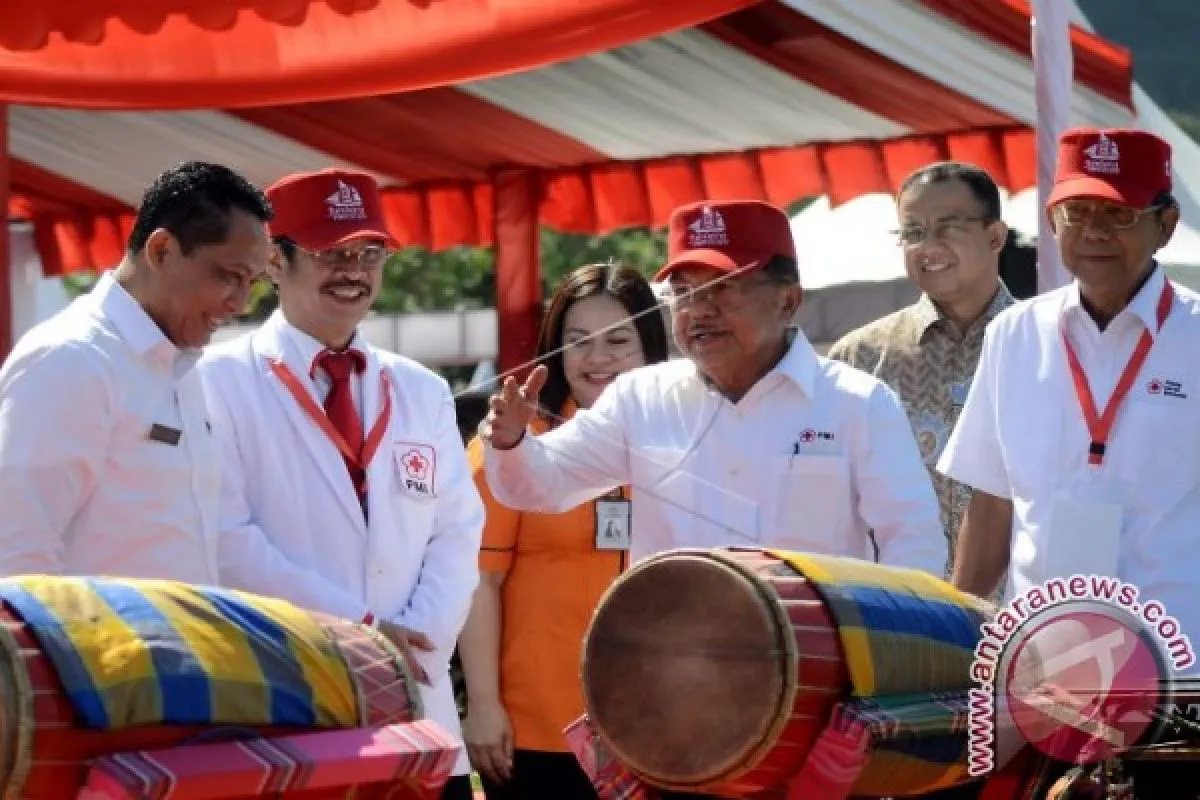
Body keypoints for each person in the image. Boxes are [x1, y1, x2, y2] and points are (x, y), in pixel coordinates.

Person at [197, 169, 484, 799]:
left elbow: (457, 532)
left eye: (369, 254)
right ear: (276, 260)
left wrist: (417, 643)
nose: (353, 272)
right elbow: (226, 538)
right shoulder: (215, 380)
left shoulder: (421, 388)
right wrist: (361, 632)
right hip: (289, 699)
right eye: (332, 253)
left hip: (418, 712)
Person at [479, 199, 947, 575]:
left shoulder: (858, 404)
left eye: (723, 287)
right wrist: (511, 441)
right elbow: (542, 485)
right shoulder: (639, 399)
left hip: (817, 658)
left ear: (788, 301)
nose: (698, 310)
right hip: (676, 656)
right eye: (683, 292)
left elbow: (913, 545)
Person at [939, 128, 1200, 646]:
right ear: (1051, 222)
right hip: (1036, 658)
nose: (1094, 231)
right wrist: (952, 635)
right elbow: (992, 505)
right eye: (1075, 212)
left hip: (1175, 657)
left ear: (1166, 225)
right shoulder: (1014, 335)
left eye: (1118, 214)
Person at [457, 263, 670, 800]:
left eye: (618, 341)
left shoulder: (686, 436)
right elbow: (480, 580)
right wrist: (483, 704)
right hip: (537, 729)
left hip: (660, 724)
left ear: (650, 346)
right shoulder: (511, 443)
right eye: (579, 342)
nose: (598, 359)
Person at [0, 161, 272, 579]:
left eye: (251, 282)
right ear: (161, 250)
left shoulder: (179, 365)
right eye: (231, 276)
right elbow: (15, 555)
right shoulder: (71, 359)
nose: (240, 303)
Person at [828, 162, 1015, 578]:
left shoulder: (1044, 347)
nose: (928, 246)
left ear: (995, 237)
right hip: (897, 602)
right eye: (913, 232)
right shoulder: (860, 358)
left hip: (1021, 604)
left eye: (948, 227)